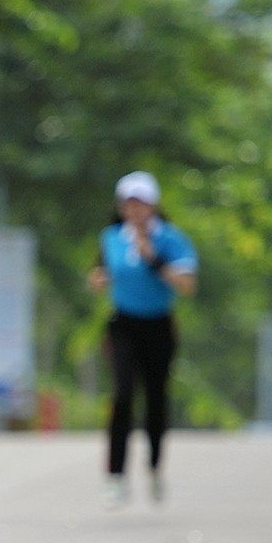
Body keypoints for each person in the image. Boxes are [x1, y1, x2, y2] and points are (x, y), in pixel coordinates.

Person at [86, 171, 198, 508]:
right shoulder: (111, 238)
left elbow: (186, 285)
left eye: (141, 204)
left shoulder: (171, 239)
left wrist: (153, 258)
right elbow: (101, 271)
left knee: (155, 399)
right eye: (129, 204)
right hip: (123, 324)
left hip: (159, 325)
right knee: (122, 396)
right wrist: (98, 279)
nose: (134, 211)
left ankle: (154, 466)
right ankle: (115, 476)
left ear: (154, 206)